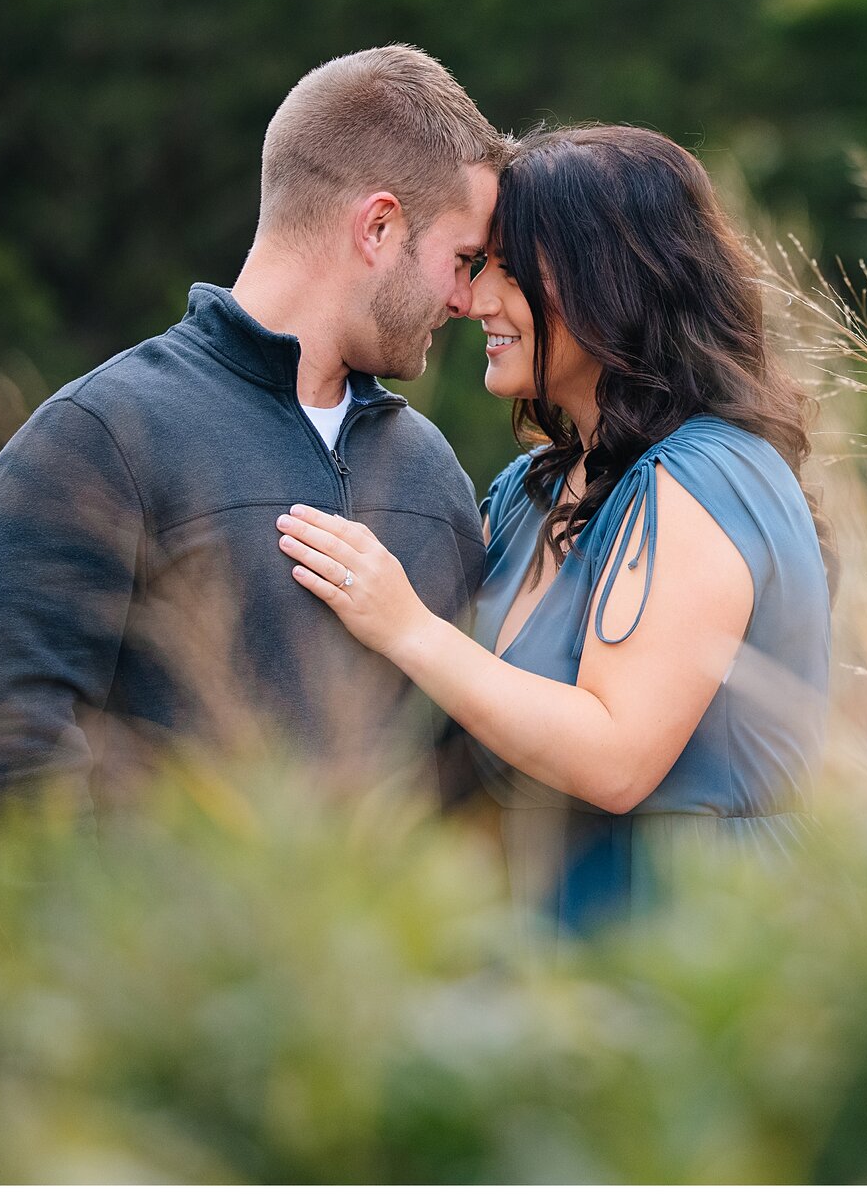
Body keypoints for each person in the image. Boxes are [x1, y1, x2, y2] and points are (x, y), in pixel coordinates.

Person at [276, 125, 831, 931]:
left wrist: (407, 627)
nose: (468, 299)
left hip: (703, 946)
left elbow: (617, 759)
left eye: (505, 268)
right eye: (476, 265)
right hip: (553, 955)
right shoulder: (529, 491)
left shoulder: (713, 474)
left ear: (604, 278)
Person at [0, 44, 508, 826]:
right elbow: (7, 747)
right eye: (464, 258)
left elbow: (462, 781)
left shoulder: (432, 473)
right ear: (378, 226)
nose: (468, 298)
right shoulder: (100, 436)